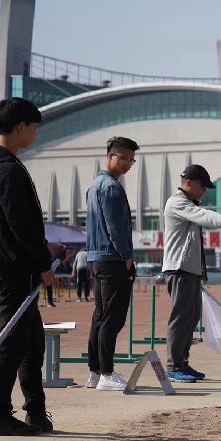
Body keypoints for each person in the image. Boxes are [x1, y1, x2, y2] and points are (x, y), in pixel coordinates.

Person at [0, 98, 55, 435]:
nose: (35, 134)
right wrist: (44, 263)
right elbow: (22, 226)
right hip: (14, 267)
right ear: (21, 127)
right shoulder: (8, 171)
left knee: (32, 340)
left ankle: (36, 412)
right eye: (34, 127)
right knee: (13, 340)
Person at [162, 165, 221, 382]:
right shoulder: (178, 202)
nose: (204, 192)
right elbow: (203, 216)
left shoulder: (188, 203)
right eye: (202, 186)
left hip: (190, 270)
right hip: (178, 269)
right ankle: (173, 365)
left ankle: (182, 362)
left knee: (191, 318)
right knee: (180, 318)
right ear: (189, 182)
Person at [85, 136, 140, 391]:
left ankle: (95, 372)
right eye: (123, 158)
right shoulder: (111, 187)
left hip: (96, 258)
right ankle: (107, 373)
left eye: (131, 159)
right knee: (112, 318)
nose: (127, 163)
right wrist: (127, 256)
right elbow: (115, 227)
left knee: (100, 315)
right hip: (112, 258)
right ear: (110, 156)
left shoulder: (95, 185)